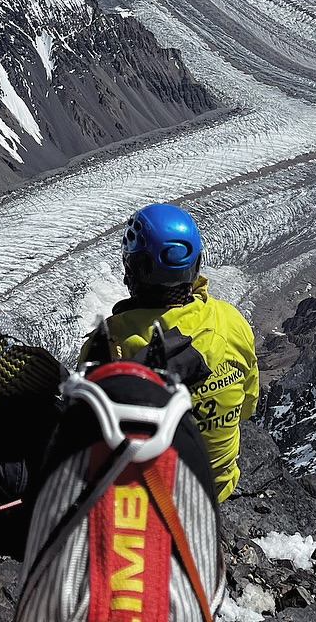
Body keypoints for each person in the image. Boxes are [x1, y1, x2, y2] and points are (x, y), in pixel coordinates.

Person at [79, 202, 259, 501]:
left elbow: (85, 438)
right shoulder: (231, 322)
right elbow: (248, 406)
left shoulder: (113, 344)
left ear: (133, 269)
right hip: (217, 486)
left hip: (151, 499)